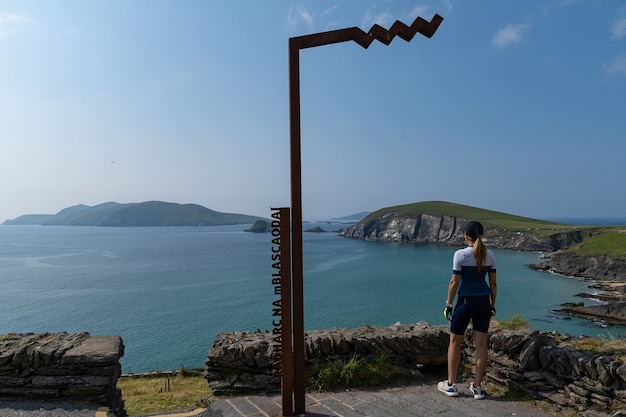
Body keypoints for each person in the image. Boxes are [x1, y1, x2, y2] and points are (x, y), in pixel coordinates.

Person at [437, 220, 497, 400]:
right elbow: (493, 283)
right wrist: (492, 304)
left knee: (455, 342)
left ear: (466, 235)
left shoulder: (460, 255)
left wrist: (448, 304)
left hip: (465, 303)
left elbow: (454, 282)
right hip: (484, 303)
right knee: (481, 345)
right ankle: (478, 388)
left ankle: (450, 385)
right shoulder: (490, 255)